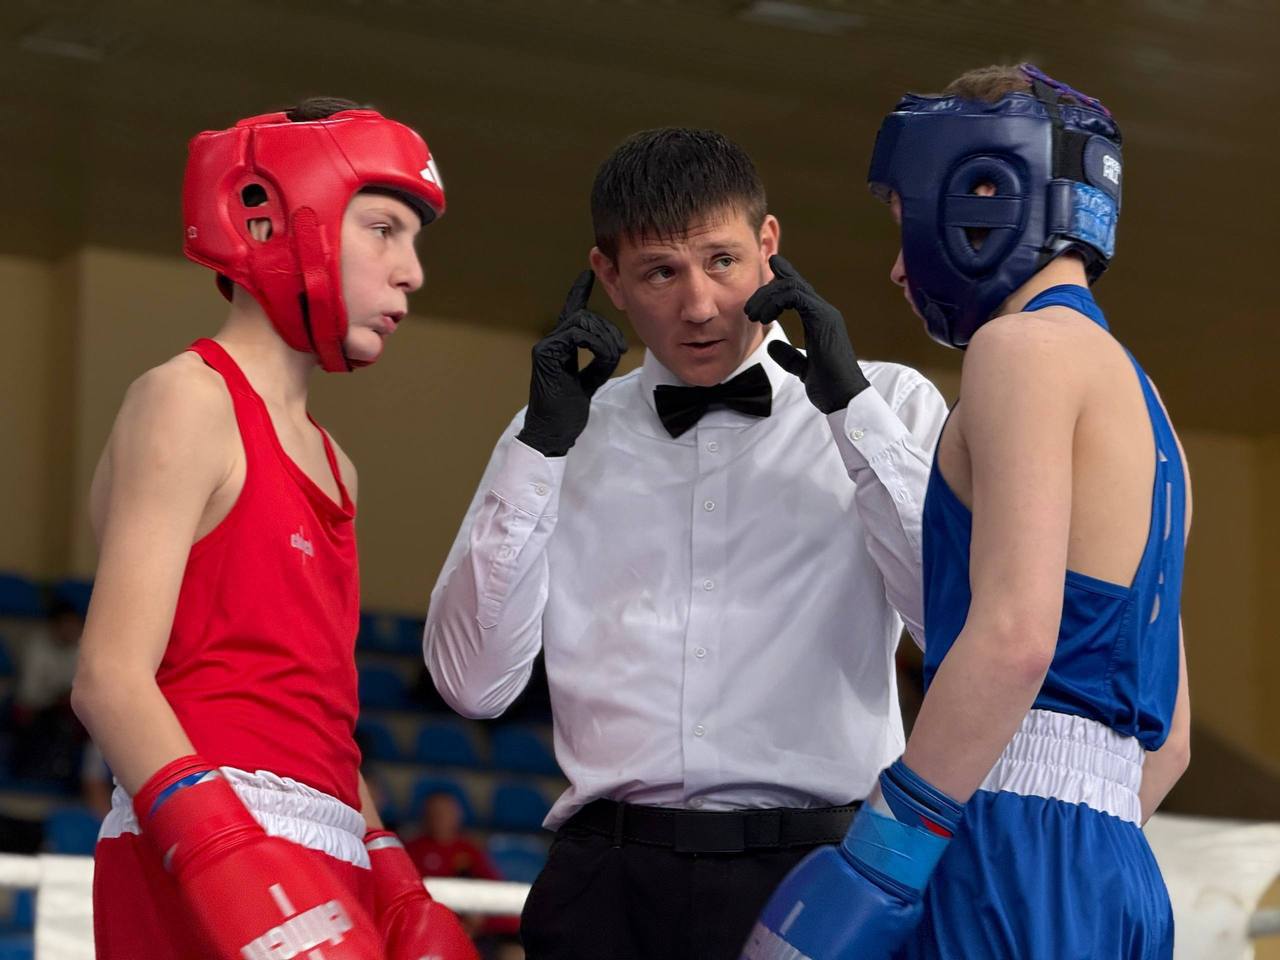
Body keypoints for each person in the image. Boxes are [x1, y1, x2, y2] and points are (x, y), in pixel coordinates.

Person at [425, 127, 949, 960]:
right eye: (661, 273)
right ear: (608, 277)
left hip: (820, 875)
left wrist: (851, 411)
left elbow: (953, 626)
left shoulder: (890, 403)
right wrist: (541, 450)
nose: (699, 306)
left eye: (722, 261)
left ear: (769, 245)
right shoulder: (556, 433)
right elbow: (471, 687)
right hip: (607, 885)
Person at [745, 64, 1191, 960]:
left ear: (984, 191)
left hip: (999, 835)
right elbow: (1172, 739)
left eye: (904, 223)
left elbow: (1016, 637)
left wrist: (882, 859)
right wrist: (1064, 860)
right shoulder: (1150, 408)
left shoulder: (1019, 350)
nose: (898, 267)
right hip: (1120, 868)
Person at [72, 98, 476, 960]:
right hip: (194, 832)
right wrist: (224, 854)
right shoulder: (187, 398)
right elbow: (108, 678)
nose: (411, 273)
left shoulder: (336, 464)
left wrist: (392, 871)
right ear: (274, 220)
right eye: (383, 230)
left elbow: (310, 707)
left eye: (414, 243)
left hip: (325, 844)